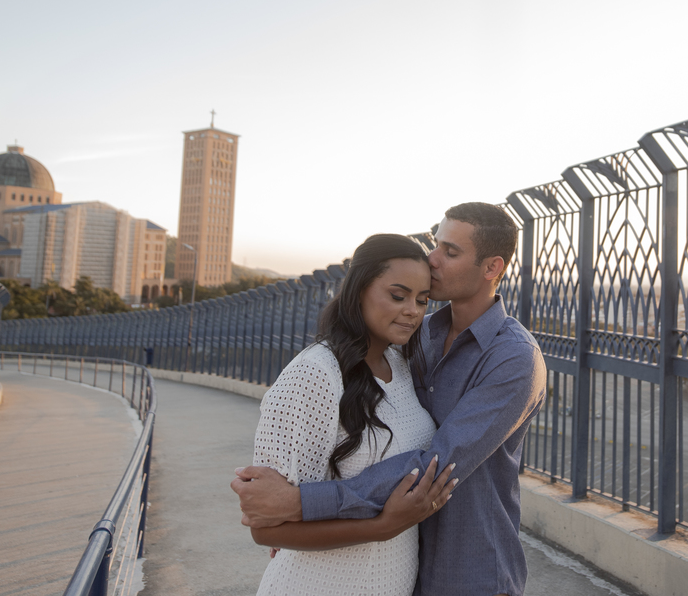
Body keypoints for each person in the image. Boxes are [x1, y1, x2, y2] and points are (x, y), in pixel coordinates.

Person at [234, 203, 548, 596]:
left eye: (450, 252)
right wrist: (293, 519)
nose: (432, 260)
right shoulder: (415, 339)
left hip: (471, 571)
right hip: (394, 570)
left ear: (491, 268)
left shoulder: (514, 358)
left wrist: (301, 503)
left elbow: (436, 463)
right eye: (436, 245)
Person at [245, 233, 457, 596]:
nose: (413, 311)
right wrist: (382, 526)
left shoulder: (400, 364)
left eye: (422, 300)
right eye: (397, 295)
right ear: (359, 290)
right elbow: (266, 528)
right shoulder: (315, 373)